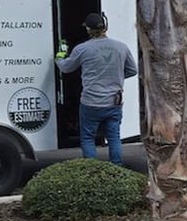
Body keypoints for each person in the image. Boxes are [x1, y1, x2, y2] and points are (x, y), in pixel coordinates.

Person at [56, 12, 138, 163]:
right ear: (105, 27)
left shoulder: (82, 49)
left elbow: (66, 68)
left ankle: (92, 170)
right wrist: (114, 77)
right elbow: (132, 70)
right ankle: (116, 169)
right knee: (114, 138)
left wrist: (60, 56)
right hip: (114, 102)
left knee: (88, 138)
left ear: (88, 29)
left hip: (90, 102)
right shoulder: (121, 47)